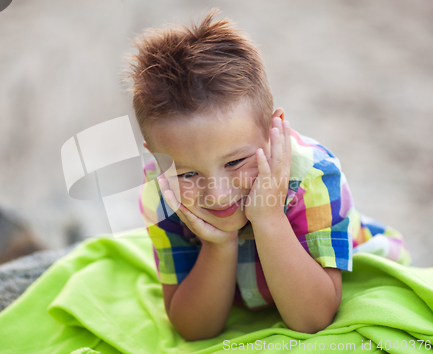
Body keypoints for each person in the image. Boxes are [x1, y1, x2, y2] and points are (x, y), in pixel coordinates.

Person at [124, 8, 411, 340]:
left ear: (275, 130)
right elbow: (193, 328)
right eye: (188, 174)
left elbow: (313, 319)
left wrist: (269, 218)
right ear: (156, 157)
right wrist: (220, 245)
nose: (217, 194)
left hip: (344, 271)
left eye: (234, 162)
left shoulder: (313, 176)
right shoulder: (163, 195)